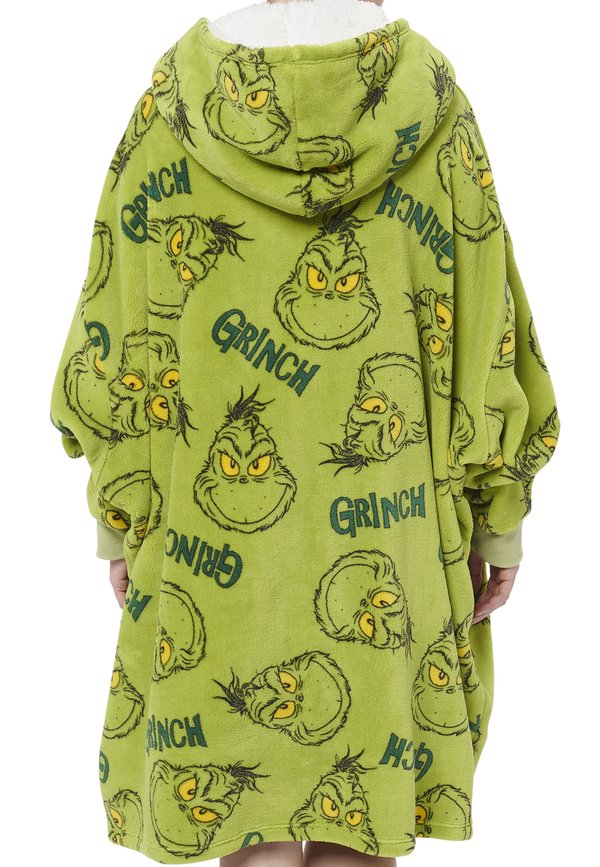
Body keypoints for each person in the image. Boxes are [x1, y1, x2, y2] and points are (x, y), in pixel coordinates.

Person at [48, 0, 560, 865]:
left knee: (241, 814)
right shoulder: (432, 106)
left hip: (208, 551)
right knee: (368, 805)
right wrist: (497, 517)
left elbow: (116, 337)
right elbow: (491, 337)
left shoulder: (171, 112)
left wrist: (121, 513)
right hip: (392, 546)